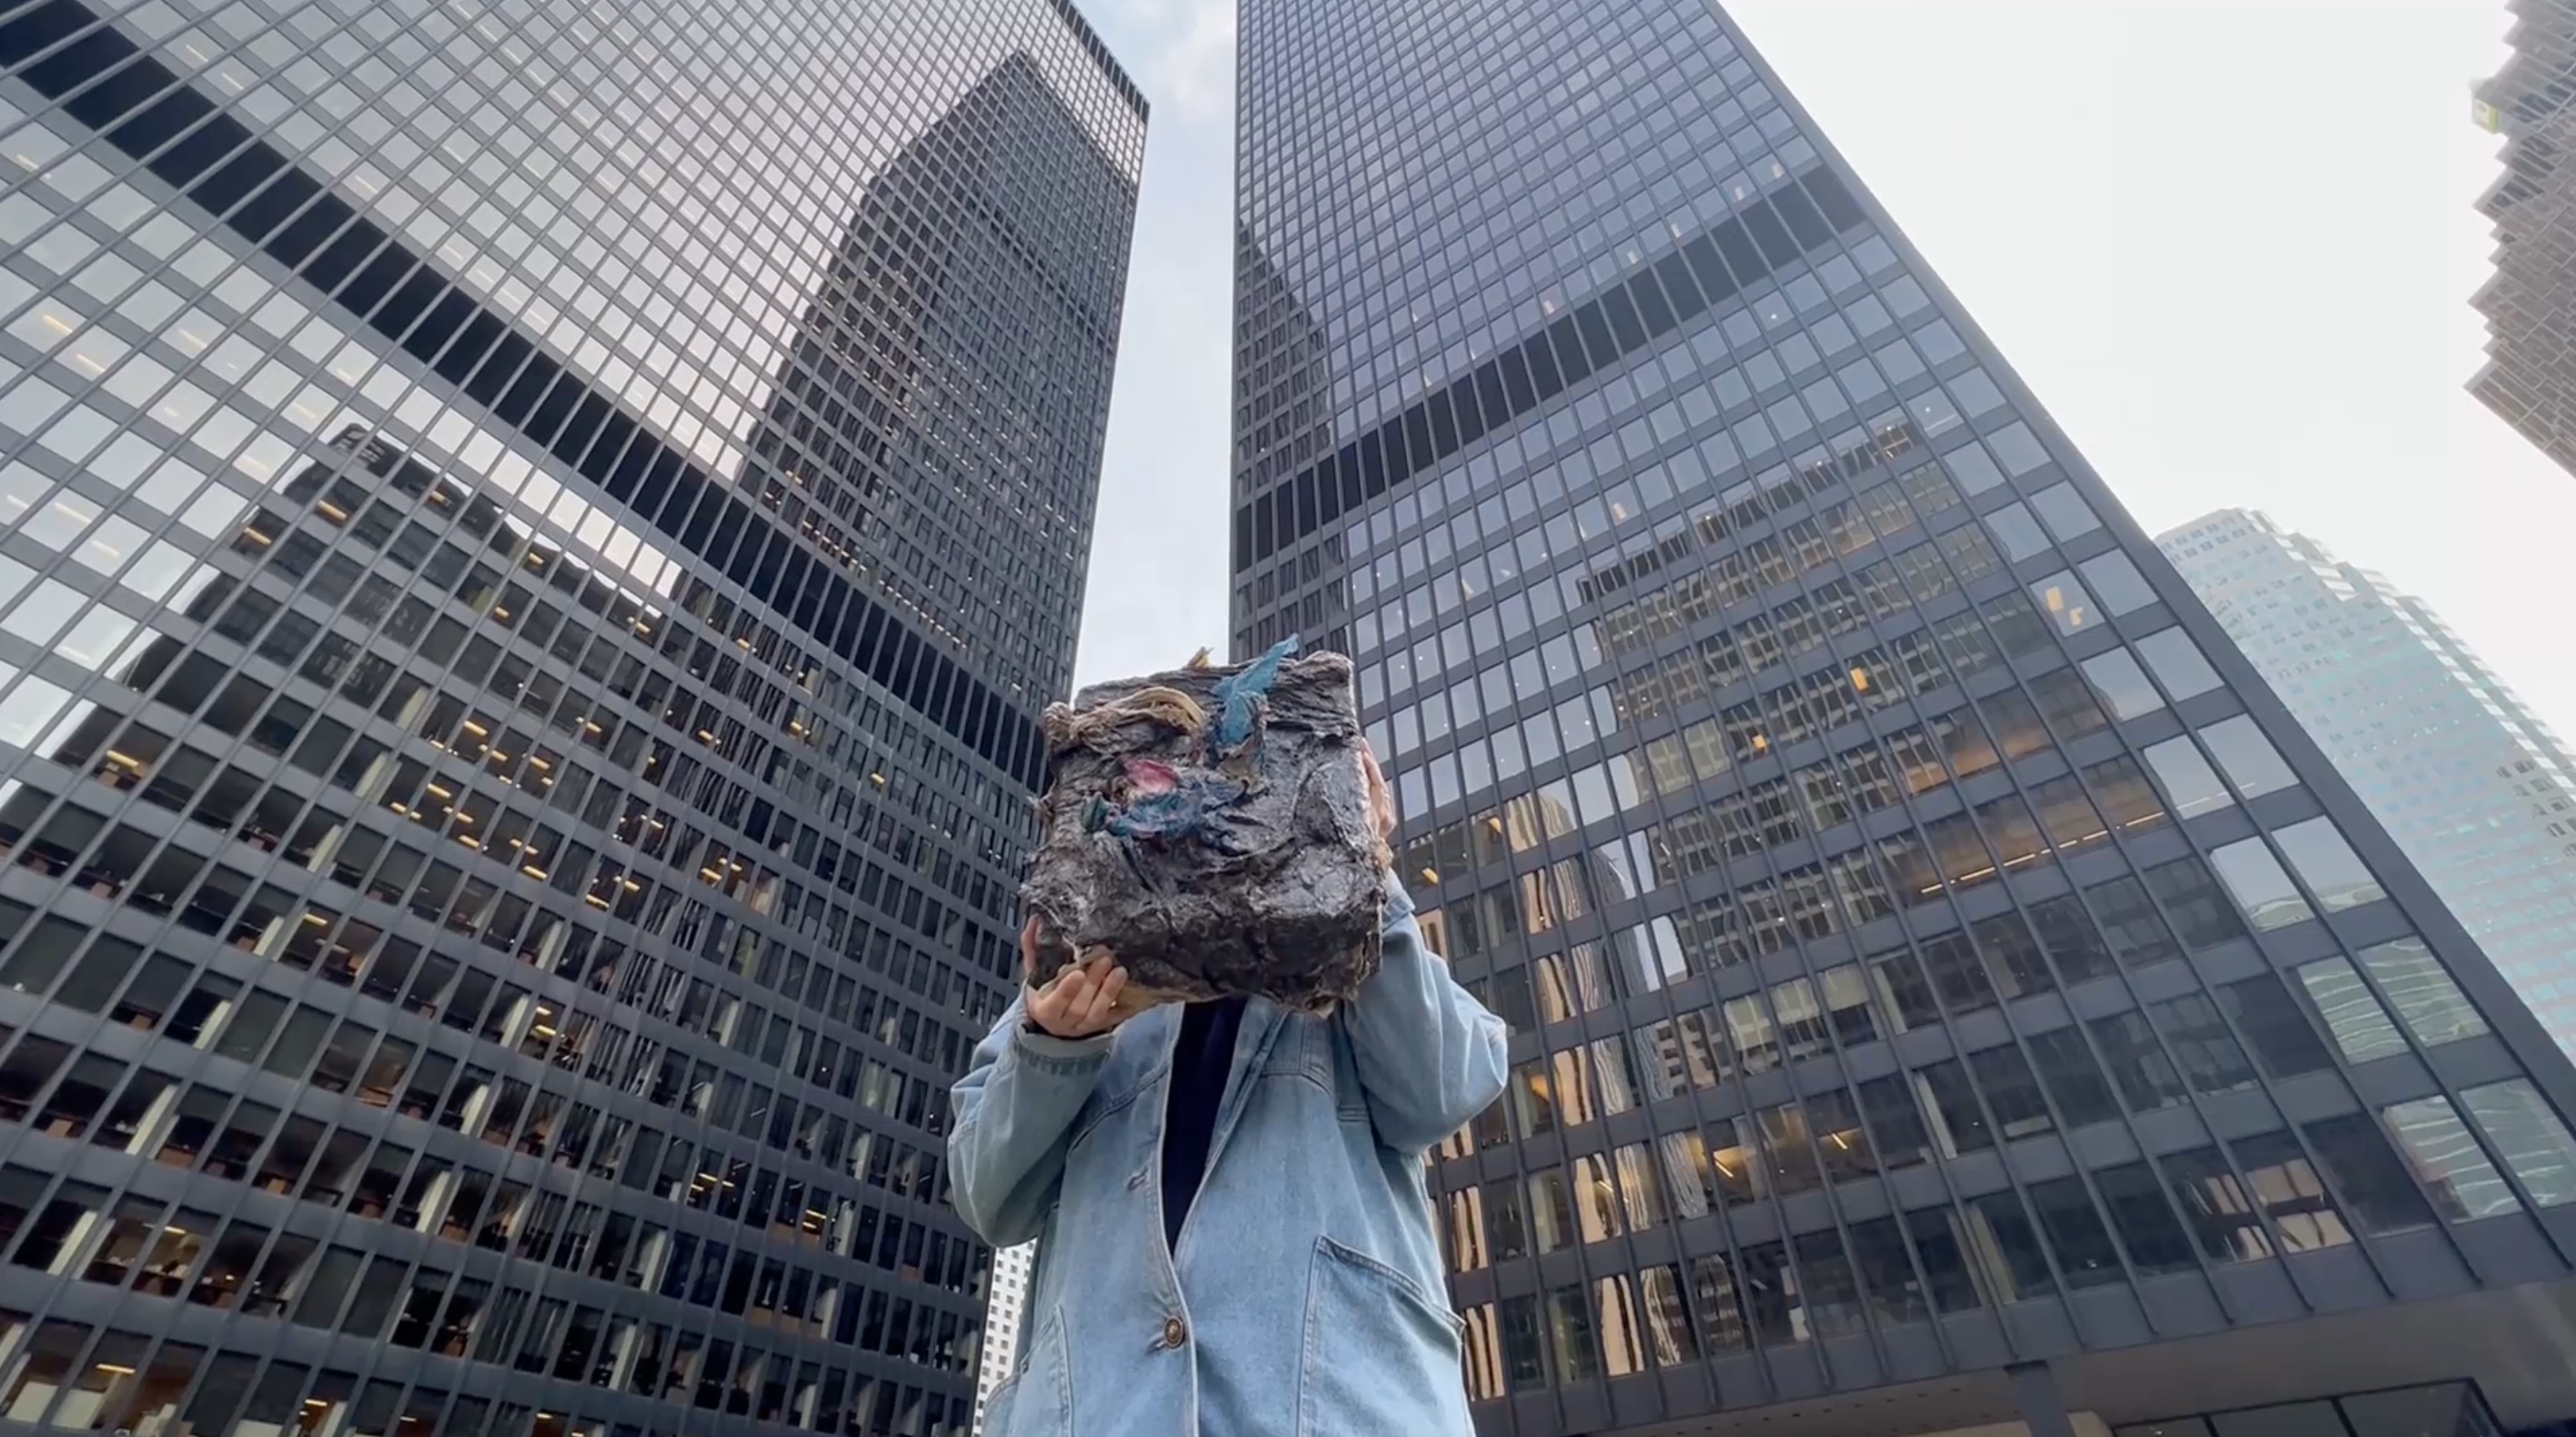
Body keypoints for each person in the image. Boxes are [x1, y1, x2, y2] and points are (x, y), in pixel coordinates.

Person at [950, 745, 1509, 1436]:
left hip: (1339, 1408)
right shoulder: (1079, 972)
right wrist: (1053, 1047)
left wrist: (1363, 882)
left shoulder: (1347, 939)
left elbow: (1442, 1091)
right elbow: (986, 1197)